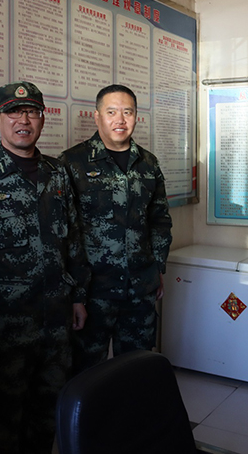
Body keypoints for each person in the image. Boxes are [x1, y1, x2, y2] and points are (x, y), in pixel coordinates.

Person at [0, 81, 90, 454]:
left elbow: (73, 241)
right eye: (13, 112)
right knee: (1, 427)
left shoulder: (58, 174)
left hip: (54, 327)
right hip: (3, 332)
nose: (23, 120)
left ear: (42, 119)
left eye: (31, 112)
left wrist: (78, 297)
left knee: (46, 420)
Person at [60, 84, 173, 374]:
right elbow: (64, 232)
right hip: (92, 291)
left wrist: (157, 266)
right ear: (97, 116)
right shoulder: (72, 163)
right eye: (111, 112)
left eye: (127, 112)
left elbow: (159, 220)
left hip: (139, 288)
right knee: (86, 373)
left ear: (136, 116)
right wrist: (75, 293)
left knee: (137, 370)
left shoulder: (148, 164)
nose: (120, 120)